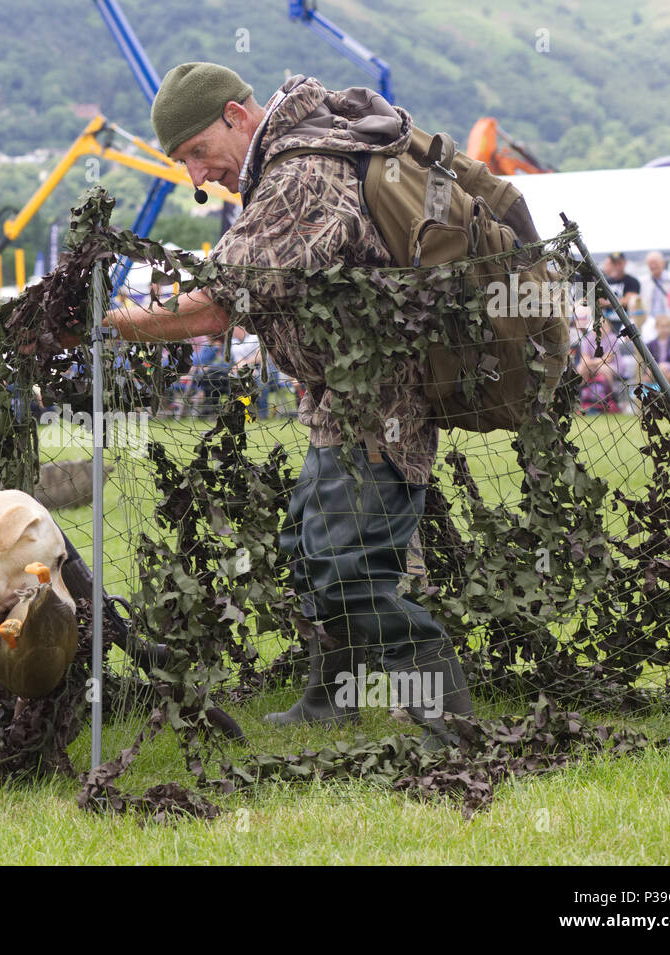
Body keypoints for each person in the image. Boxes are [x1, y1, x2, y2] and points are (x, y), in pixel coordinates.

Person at [100, 61, 474, 746]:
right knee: (310, 547)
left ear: (237, 119)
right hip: (343, 402)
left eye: (195, 153)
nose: (196, 177)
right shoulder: (290, 161)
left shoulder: (300, 175)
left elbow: (217, 306)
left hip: (378, 404)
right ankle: (331, 697)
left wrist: (110, 321)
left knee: (354, 564)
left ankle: (445, 718)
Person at [641, 251, 670, 322]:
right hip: (649, 321)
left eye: (655, 263)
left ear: (663, 263)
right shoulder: (643, 282)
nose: (653, 266)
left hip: (669, 320)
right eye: (650, 264)